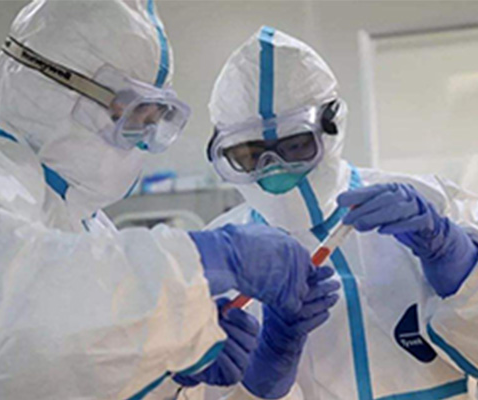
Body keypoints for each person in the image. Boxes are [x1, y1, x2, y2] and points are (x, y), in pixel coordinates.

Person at [0, 2, 321, 400]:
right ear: (54, 90)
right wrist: (201, 268)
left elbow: (68, 368)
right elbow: (10, 320)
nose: (144, 142)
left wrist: (173, 365)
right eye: (135, 117)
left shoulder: (86, 224)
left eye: (154, 123)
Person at [205, 26, 478, 399]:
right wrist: (260, 380)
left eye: (295, 145)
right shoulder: (218, 261)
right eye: (251, 156)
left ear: (331, 128)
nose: (275, 169)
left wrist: (461, 268)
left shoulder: (429, 204)